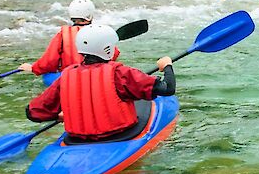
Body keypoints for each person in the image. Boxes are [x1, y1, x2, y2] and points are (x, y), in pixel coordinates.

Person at [26, 25, 176, 143]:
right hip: (120, 136)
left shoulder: (66, 76)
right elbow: (167, 89)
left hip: (77, 140)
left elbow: (33, 113)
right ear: (108, 49)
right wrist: (167, 65)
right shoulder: (120, 73)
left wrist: (60, 116)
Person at [18, 0, 118, 75]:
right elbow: (113, 54)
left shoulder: (63, 34)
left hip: (69, 76)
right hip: (97, 75)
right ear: (91, 15)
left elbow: (50, 61)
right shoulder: (100, 32)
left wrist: (33, 68)